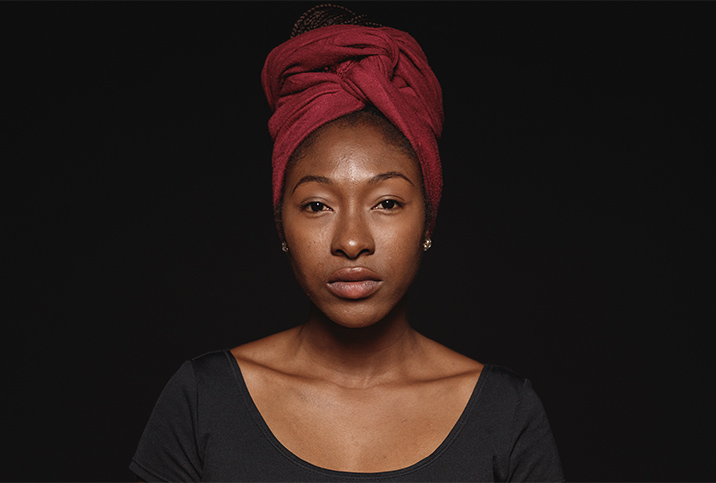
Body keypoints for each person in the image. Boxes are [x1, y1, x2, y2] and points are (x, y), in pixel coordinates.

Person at [130, 5, 564, 482]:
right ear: (281, 225)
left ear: (428, 221)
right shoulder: (203, 400)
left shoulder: (506, 415)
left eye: (387, 203)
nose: (352, 241)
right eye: (317, 206)